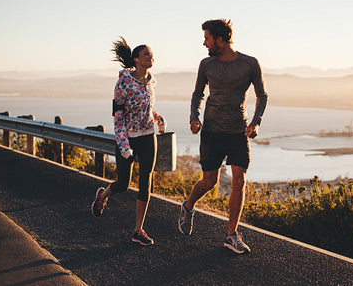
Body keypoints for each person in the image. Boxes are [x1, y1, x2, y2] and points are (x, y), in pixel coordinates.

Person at [178, 19, 268, 254]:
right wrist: (194, 117)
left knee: (239, 181)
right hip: (212, 131)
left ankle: (231, 235)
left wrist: (256, 122)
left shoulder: (249, 63)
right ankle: (188, 206)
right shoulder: (206, 64)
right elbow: (198, 93)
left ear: (220, 39)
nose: (204, 43)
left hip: (238, 131)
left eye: (207, 38)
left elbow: (262, 95)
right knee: (210, 182)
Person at [91, 37, 165, 246]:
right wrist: (123, 145)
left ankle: (138, 230)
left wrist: (158, 118)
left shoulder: (151, 80)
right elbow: (118, 115)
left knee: (145, 182)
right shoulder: (123, 82)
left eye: (151, 54)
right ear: (136, 59)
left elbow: (145, 108)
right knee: (123, 184)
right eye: (146, 54)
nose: (151, 57)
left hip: (148, 136)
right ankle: (102, 195)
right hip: (128, 139)